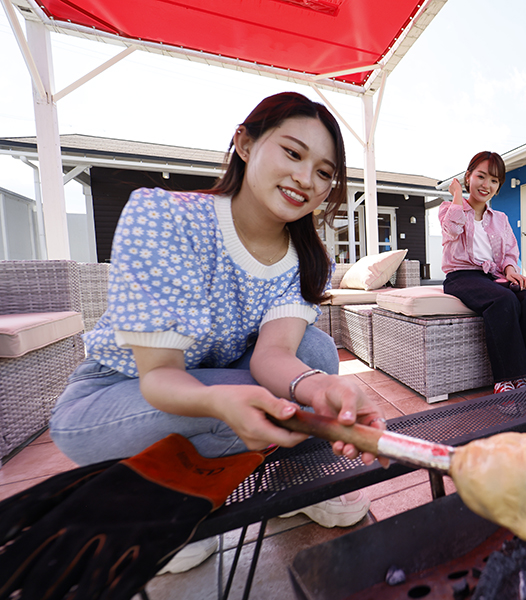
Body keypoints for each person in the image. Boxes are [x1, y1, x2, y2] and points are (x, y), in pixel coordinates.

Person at [49, 92, 385, 572]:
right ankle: (172, 502)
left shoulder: (307, 259)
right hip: (115, 399)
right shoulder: (164, 217)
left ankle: (286, 478)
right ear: (245, 144)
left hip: (216, 379)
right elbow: (159, 377)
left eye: (325, 172)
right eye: (292, 153)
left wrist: (323, 389)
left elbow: (274, 356)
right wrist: (229, 403)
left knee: (316, 354)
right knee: (255, 396)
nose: (306, 180)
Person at [439, 151, 526, 394]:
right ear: (468, 177)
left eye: (494, 180)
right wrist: (458, 195)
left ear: (498, 187)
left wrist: (511, 271)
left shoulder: (500, 218)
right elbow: (452, 230)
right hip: (461, 276)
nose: (486, 185)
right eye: (481, 176)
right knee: (503, 300)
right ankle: (506, 378)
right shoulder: (449, 208)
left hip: (492, 277)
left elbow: (510, 251)